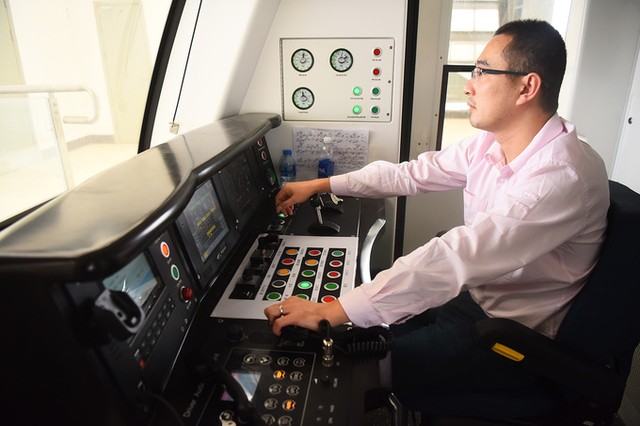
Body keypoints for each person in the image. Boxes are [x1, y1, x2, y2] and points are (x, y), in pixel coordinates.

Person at [264, 19, 609, 417]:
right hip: (476, 299)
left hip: (514, 337)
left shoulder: (560, 175)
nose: (469, 85)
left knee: (359, 366)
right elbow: (409, 174)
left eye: (482, 71)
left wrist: (331, 310)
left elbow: (459, 254)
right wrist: (322, 184)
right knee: (365, 332)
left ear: (526, 87)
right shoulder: (491, 145)